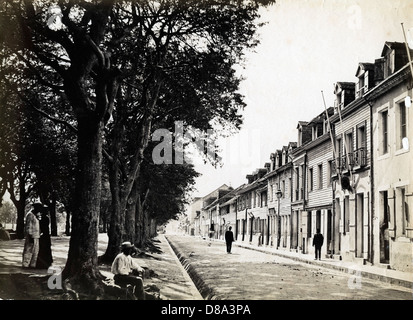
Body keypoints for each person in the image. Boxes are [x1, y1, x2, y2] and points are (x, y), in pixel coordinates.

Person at [22, 203, 42, 268]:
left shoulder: (35, 215)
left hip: (36, 236)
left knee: (35, 251)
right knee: (28, 250)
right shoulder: (30, 215)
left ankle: (32, 265)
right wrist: (30, 236)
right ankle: (25, 265)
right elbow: (28, 227)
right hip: (31, 236)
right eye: (39, 209)